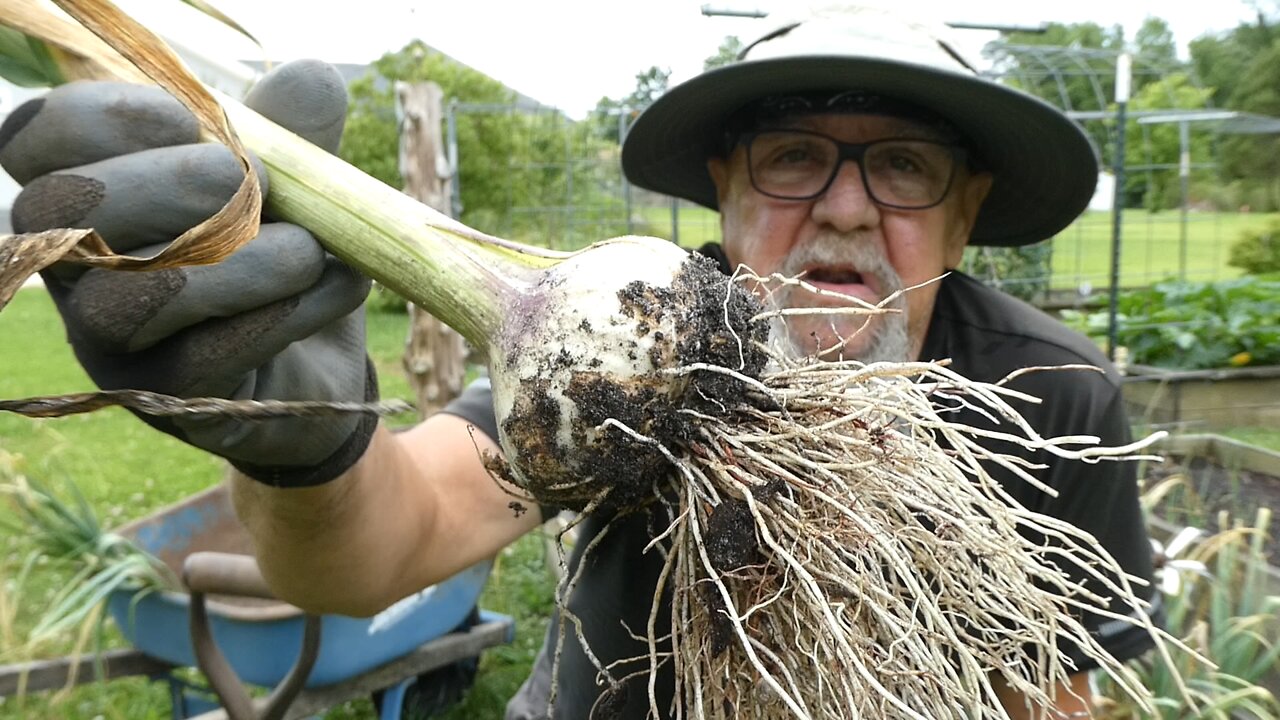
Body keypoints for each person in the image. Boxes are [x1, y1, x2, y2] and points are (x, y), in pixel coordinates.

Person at [0, 6, 1158, 719]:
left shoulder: (1049, 393)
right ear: (724, 187)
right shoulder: (643, 353)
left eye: (902, 166)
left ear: (968, 212)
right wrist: (311, 463)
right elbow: (379, 553)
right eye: (793, 157)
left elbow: (1054, 688)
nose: (845, 210)